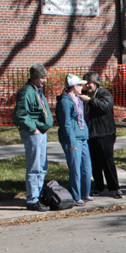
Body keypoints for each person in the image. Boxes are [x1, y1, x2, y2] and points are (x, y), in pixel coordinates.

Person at [12, 64, 53, 212]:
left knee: (42, 166)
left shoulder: (38, 90)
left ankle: (39, 195)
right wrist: (34, 129)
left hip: (41, 131)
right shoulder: (26, 92)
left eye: (45, 77)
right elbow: (20, 115)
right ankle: (32, 200)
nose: (44, 80)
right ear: (34, 77)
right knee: (35, 166)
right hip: (33, 133)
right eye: (42, 78)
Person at [81, 72, 123, 199]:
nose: (88, 85)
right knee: (95, 162)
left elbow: (105, 107)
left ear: (96, 83)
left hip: (105, 133)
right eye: (85, 83)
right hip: (90, 134)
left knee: (107, 161)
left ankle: (114, 188)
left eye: (90, 82)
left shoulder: (104, 94)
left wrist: (89, 100)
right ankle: (98, 187)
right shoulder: (83, 96)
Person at [55, 74, 92, 206]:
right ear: (74, 86)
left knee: (87, 168)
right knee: (76, 168)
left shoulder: (78, 99)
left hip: (82, 137)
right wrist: (71, 142)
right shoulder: (65, 101)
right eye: (80, 85)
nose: (83, 87)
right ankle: (76, 196)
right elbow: (66, 123)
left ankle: (85, 193)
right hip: (72, 139)